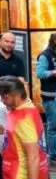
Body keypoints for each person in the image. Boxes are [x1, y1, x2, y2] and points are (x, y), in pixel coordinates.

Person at [35, 33, 56, 169]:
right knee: (53, 127)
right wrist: (54, 72)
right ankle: (52, 156)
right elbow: (40, 73)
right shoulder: (45, 55)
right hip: (50, 96)